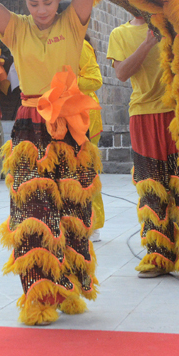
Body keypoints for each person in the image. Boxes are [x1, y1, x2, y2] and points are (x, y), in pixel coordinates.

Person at [0, 0, 99, 326]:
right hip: (31, 126)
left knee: (71, 211)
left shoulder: (73, 21)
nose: (42, 10)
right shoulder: (16, 28)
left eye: (48, 2)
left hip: (67, 124)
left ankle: (66, 290)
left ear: (59, 0)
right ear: (25, 4)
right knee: (32, 212)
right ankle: (38, 297)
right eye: (34, 4)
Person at [107, 16, 179, 284]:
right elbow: (121, 74)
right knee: (151, 187)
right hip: (143, 115)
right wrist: (147, 44)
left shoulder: (177, 26)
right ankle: (159, 254)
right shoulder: (120, 33)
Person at [78, 36, 104, 242]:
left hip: (85, 117)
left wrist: (65, 82)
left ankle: (93, 224)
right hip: (63, 115)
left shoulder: (81, 46)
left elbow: (95, 80)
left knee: (87, 171)